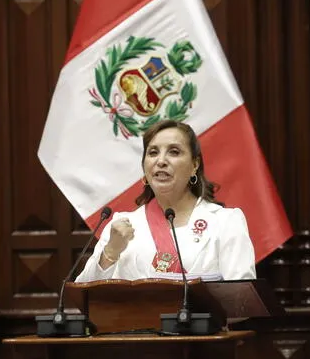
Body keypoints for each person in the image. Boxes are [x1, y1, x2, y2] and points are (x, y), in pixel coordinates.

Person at [75, 120, 256, 282]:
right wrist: (111, 253)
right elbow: (85, 299)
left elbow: (242, 301)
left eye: (174, 152)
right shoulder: (121, 225)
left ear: (195, 165)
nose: (161, 161)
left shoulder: (225, 222)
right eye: (153, 153)